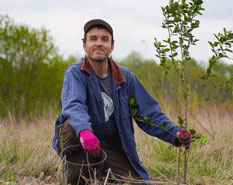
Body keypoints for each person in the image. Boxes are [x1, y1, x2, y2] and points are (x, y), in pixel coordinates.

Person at [52, 19, 192, 184]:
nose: (98, 43)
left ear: (112, 46)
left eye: (104, 39)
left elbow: (148, 113)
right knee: (71, 125)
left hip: (111, 148)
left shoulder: (126, 78)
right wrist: (84, 132)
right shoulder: (75, 72)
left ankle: (102, 173)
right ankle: (79, 178)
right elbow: (73, 105)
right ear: (84, 45)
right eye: (93, 39)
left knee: (135, 182)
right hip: (81, 140)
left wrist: (174, 132)